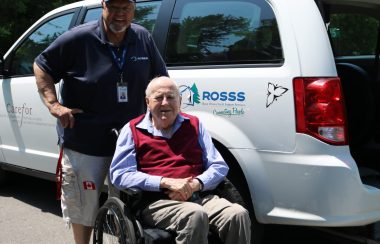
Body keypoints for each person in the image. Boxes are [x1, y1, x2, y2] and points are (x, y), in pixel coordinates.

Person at [33, 0, 168, 243]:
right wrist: (54, 105)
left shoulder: (142, 37)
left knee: (132, 210)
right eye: (114, 7)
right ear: (103, 6)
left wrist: (163, 113)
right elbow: (42, 65)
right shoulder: (79, 38)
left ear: (133, 8)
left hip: (130, 143)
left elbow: (159, 80)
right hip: (85, 142)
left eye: (125, 8)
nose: (120, 14)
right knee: (84, 209)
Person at [110, 76, 251, 244]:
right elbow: (120, 175)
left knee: (237, 214)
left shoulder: (195, 125)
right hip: (157, 201)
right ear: (147, 102)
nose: (165, 103)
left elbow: (218, 166)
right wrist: (164, 182)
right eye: (158, 97)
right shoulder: (132, 129)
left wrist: (195, 184)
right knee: (194, 215)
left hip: (199, 195)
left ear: (180, 101)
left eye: (170, 97)